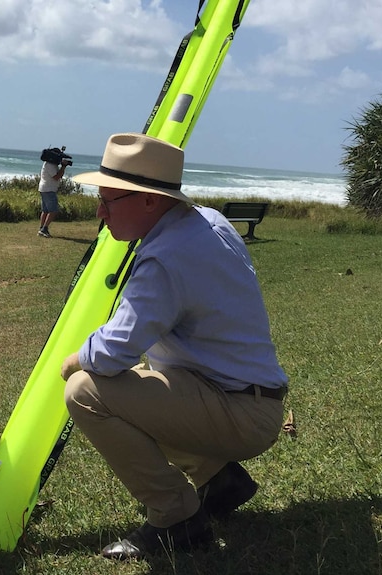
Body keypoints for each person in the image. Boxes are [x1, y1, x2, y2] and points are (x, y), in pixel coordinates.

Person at [60, 133, 288, 560]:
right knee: (141, 387)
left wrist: (74, 359)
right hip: (247, 400)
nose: (100, 212)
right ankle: (219, 480)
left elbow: (112, 353)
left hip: (238, 410)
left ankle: (177, 517)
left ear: (149, 201)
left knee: (85, 391)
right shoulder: (206, 222)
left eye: (109, 200)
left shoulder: (166, 257)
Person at [37, 150, 68, 238]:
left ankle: (42, 228)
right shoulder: (50, 165)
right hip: (48, 189)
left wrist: (62, 167)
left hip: (45, 188)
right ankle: (44, 229)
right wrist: (63, 166)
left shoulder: (50, 164)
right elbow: (56, 177)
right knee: (53, 210)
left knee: (46, 210)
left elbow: (59, 175)